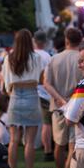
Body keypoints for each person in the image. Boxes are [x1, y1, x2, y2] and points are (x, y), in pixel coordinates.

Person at [2, 29, 44, 168]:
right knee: (30, 141)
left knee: (13, 140)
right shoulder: (36, 58)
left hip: (15, 97)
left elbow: (6, 85)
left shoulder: (8, 58)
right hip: (32, 96)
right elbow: (39, 79)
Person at [44, 27, 83, 168]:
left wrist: (60, 100)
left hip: (58, 107)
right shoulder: (82, 59)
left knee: (59, 145)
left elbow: (46, 83)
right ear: (80, 40)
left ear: (66, 39)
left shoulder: (55, 59)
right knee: (72, 146)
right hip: (77, 105)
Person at [33, 30, 54, 161]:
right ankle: (47, 151)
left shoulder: (30, 55)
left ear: (34, 41)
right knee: (46, 123)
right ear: (45, 42)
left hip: (31, 91)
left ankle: (33, 146)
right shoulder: (47, 56)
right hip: (44, 92)